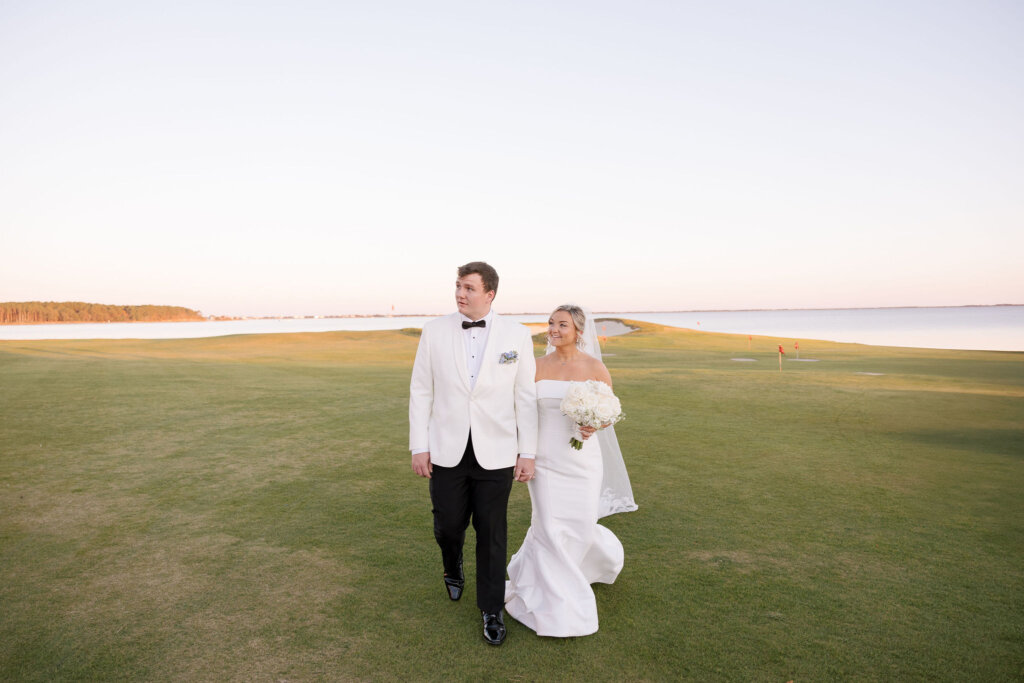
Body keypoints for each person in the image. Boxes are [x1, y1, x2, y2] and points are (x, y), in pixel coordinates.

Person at [408, 261, 539, 646]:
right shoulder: (433, 331)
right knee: (448, 526)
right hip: (447, 449)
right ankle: (453, 565)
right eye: (458, 287)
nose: (460, 294)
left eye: (468, 288)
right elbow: (421, 391)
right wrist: (420, 445)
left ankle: (492, 609)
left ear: (490, 294)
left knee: (492, 532)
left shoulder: (517, 335)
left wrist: (527, 451)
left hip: (497, 452)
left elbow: (525, 397)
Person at [504, 304, 637, 637]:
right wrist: (525, 454)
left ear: (579, 331)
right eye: (551, 323)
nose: (553, 329)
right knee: (548, 523)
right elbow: (524, 414)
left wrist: (595, 424)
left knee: (578, 524)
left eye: (562, 324)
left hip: (583, 462)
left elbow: (609, 411)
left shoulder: (595, 367)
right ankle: (557, 597)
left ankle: (586, 564)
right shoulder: (534, 367)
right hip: (545, 460)